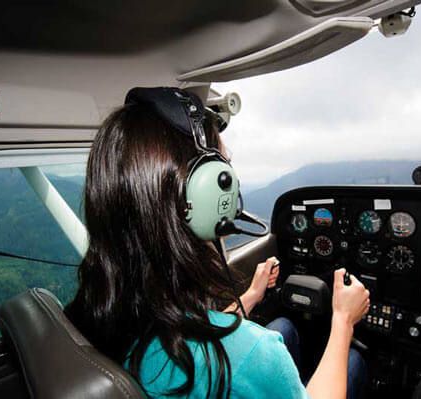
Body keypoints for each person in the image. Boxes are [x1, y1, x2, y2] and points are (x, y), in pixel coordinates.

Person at [65, 87, 370, 399]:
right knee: (355, 362)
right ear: (201, 194)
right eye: (225, 169)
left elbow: (193, 334)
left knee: (284, 327)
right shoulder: (252, 355)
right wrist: (343, 320)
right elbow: (236, 353)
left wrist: (251, 295)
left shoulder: (88, 319)